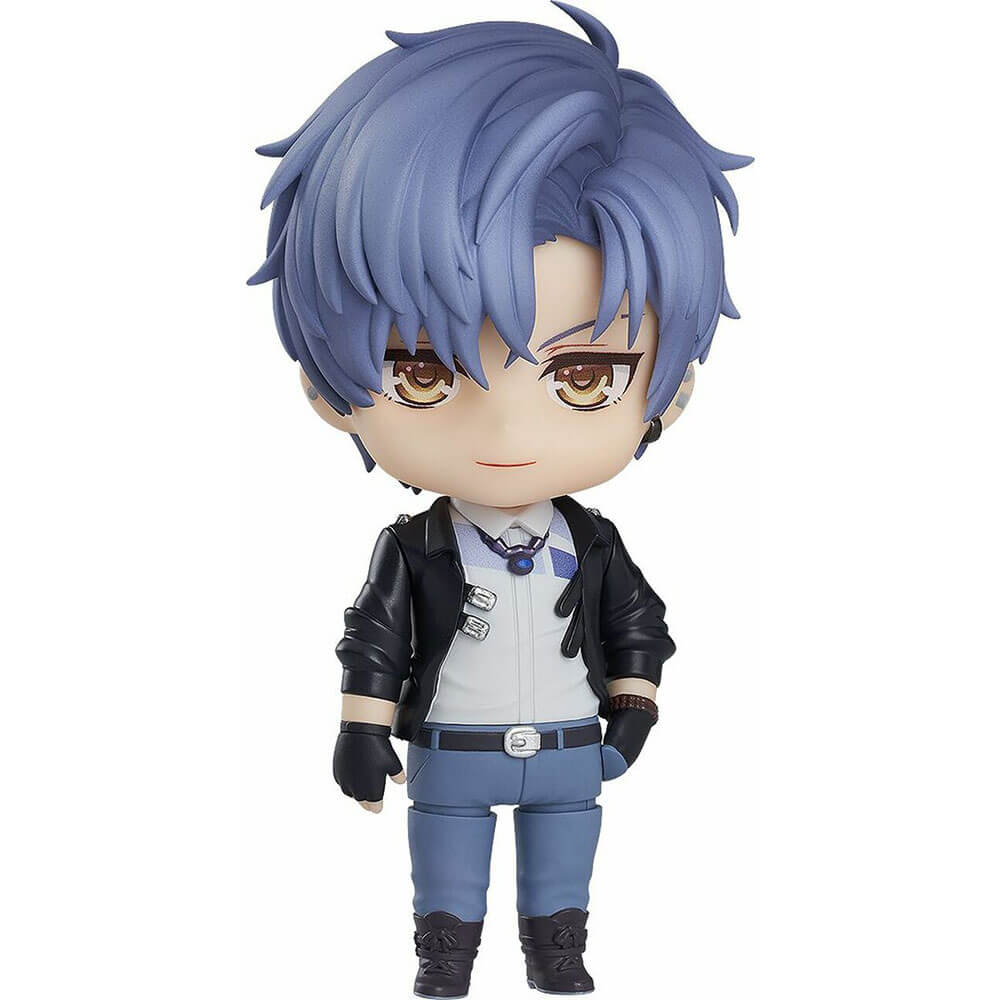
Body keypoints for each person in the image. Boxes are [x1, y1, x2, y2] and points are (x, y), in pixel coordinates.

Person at [249, 4, 750, 995]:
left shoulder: (592, 544)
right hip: (450, 752)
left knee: (566, 864)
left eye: (583, 376)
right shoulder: (415, 549)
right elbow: (374, 638)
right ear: (326, 384)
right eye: (423, 373)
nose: (508, 432)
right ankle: (445, 961)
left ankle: (558, 955)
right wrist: (361, 727)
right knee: (446, 862)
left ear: (671, 389)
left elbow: (638, 624)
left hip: (570, 753)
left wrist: (635, 709)